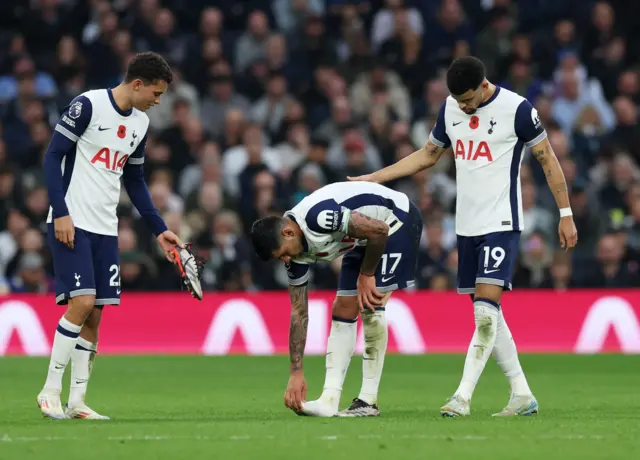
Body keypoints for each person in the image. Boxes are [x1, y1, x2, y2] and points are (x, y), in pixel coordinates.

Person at [348, 56, 578, 417]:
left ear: (484, 85)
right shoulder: (450, 109)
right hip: (466, 226)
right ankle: (521, 394)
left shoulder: (517, 109)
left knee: (485, 315)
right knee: (489, 313)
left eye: (468, 99)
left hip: (501, 221)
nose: (464, 106)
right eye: (458, 100)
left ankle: (462, 397)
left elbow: (547, 159)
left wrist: (565, 215)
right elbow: (428, 155)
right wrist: (374, 178)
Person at [38, 52, 185, 420]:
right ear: (138, 84)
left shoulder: (141, 124)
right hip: (72, 220)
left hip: (106, 226)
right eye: (156, 92)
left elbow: (134, 181)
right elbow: (52, 157)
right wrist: (62, 212)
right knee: (83, 302)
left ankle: (77, 402)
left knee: (96, 315)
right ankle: (49, 391)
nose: (158, 100)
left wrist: (159, 229)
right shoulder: (88, 104)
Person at [250, 181, 423, 417]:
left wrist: (367, 274)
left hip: (396, 220)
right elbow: (299, 312)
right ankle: (329, 399)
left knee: (371, 306)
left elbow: (379, 229)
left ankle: (367, 402)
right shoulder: (295, 255)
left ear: (288, 232)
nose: (286, 262)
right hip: (364, 238)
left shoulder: (318, 217)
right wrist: (296, 372)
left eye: (284, 254)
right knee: (343, 308)